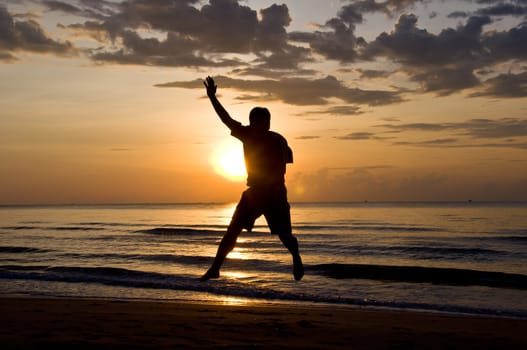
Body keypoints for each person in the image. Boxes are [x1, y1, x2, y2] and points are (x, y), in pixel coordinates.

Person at [201, 76, 304, 281]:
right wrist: (212, 98)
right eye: (257, 122)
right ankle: (215, 268)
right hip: (254, 193)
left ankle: (296, 257)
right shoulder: (247, 134)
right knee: (232, 231)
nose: (260, 125)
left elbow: (282, 169)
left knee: (285, 235)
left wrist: (272, 187)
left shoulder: (278, 140)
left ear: (268, 123)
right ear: (252, 122)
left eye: (264, 122)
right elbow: (225, 119)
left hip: (274, 193)